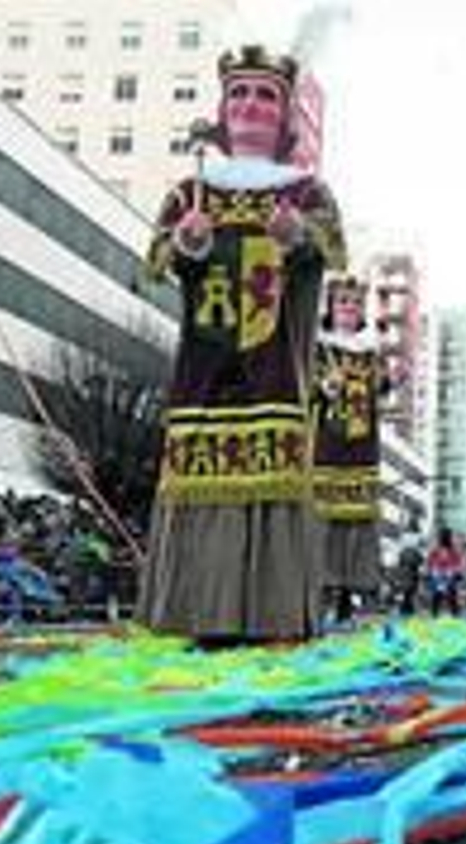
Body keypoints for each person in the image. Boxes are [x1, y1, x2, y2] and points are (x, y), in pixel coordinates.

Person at [138, 44, 346, 645]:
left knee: (270, 486)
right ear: (222, 108)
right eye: (239, 93)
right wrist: (189, 243)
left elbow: (331, 253)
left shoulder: (307, 192)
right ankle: (192, 612)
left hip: (273, 369)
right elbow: (157, 262)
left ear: (284, 116)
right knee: (199, 483)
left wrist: (297, 235)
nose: (250, 105)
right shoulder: (190, 192)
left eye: (265, 96)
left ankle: (268, 614)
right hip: (202, 371)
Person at [312, 274, 386, 626]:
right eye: (343, 301)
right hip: (327, 442)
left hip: (362, 445)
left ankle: (356, 591)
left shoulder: (372, 350)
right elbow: (303, 383)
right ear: (330, 305)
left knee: (359, 521)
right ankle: (324, 588)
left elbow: (380, 388)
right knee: (324, 519)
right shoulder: (317, 345)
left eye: (356, 302)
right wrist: (322, 387)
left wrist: (388, 381)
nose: (349, 308)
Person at [426, 528, 465, 617]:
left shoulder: (451, 550)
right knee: (443, 595)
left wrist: (457, 571)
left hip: (445, 573)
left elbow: (459, 563)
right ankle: (449, 614)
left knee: (445, 595)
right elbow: (430, 562)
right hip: (441, 573)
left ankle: (443, 614)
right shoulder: (438, 550)